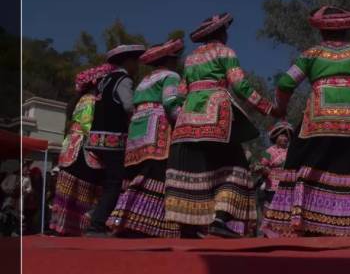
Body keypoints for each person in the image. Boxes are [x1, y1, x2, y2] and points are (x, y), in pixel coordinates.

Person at [261, 6, 350, 237]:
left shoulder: (311, 54)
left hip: (319, 121)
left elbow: (285, 83)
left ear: (321, 31)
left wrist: (281, 107)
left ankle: (307, 221)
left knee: (309, 164)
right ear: (348, 30)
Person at [165, 12, 274, 239]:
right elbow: (240, 85)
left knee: (194, 170)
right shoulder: (225, 52)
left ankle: (189, 225)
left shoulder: (191, 59)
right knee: (235, 168)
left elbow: (181, 92)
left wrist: (179, 115)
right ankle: (219, 219)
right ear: (222, 33)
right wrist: (268, 108)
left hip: (187, 120)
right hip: (216, 116)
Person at [106, 39, 185, 238]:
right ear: (171, 60)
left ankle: (123, 220)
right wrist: (184, 123)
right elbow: (169, 102)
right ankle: (149, 224)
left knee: (135, 174)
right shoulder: (171, 76)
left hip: (136, 129)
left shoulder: (144, 80)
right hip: (157, 128)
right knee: (156, 173)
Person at [85, 44, 145, 236]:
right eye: (135, 61)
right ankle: (97, 223)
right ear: (127, 61)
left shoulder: (104, 80)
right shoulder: (123, 79)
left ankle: (96, 217)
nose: (136, 65)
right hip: (113, 139)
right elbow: (128, 106)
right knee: (114, 183)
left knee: (106, 182)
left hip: (96, 138)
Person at [50, 64, 114, 236]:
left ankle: (62, 227)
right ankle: (79, 227)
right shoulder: (93, 100)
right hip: (84, 147)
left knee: (69, 191)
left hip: (71, 145)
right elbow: (89, 125)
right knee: (86, 188)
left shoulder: (80, 100)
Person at [257, 121, 294, 207]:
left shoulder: (291, 151)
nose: (285, 138)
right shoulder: (267, 151)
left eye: (286, 136)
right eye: (282, 136)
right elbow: (259, 165)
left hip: (288, 187)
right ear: (275, 137)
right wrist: (263, 170)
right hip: (272, 187)